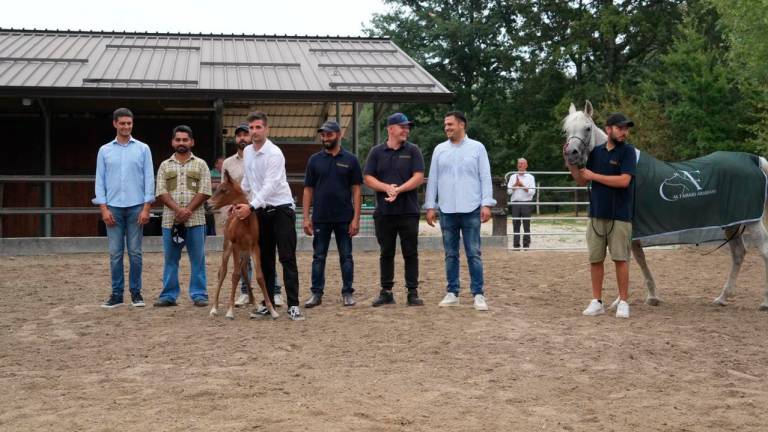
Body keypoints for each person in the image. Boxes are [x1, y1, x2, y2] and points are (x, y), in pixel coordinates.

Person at [232, 111, 305, 321]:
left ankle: (293, 305)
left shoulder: (275, 153)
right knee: (264, 259)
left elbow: (270, 185)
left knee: (287, 257)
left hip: (281, 209)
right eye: (251, 128)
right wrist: (238, 200)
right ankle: (268, 303)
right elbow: (248, 181)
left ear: (267, 129)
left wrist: (250, 206)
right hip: (261, 211)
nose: (254, 132)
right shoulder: (247, 152)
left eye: (258, 127)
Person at [566, 113, 636, 319]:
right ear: (608, 129)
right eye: (620, 128)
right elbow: (580, 180)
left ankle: (623, 300)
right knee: (595, 259)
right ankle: (596, 300)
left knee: (620, 259)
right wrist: (570, 162)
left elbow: (624, 181)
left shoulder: (628, 152)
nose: (624, 132)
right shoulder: (596, 153)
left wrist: (594, 176)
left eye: (625, 129)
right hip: (597, 214)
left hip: (620, 215)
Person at [425, 111, 496, 311]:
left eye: (450, 124)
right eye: (445, 125)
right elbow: (434, 179)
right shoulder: (439, 150)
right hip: (447, 209)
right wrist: (430, 205)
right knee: (450, 254)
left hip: (471, 207)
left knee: (474, 253)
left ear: (461, 125)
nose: (447, 128)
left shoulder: (477, 148)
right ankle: (452, 292)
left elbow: (485, 176)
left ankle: (478, 294)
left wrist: (486, 203)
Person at [94, 107, 155, 308]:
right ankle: (117, 293)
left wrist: (147, 207)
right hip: (113, 207)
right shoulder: (104, 150)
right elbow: (99, 181)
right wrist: (103, 208)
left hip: (136, 206)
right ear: (115, 124)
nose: (126, 126)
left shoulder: (143, 149)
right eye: (122, 123)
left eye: (129, 123)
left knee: (136, 253)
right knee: (115, 253)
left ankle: (136, 292)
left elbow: (149, 178)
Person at [363, 112, 425, 307]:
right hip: (384, 213)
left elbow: (418, 177)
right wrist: (386, 188)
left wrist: (398, 189)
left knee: (410, 252)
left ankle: (412, 292)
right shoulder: (376, 152)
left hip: (408, 211)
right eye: (402, 126)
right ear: (390, 129)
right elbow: (368, 177)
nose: (406, 130)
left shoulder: (413, 150)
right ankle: (386, 291)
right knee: (386, 252)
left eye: (407, 127)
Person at [303, 121, 363, 308]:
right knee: (318, 257)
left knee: (346, 256)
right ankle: (316, 293)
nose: (325, 138)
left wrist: (356, 218)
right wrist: (306, 217)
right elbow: (308, 190)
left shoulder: (351, 160)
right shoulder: (314, 160)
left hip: (344, 217)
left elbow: (356, 191)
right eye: (323, 135)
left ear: (338, 135)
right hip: (321, 217)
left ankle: (347, 292)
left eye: (329, 134)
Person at [154, 125, 212, 307]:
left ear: (192, 142)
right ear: (172, 142)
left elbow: (205, 190)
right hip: (170, 222)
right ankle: (168, 295)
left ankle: (199, 294)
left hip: (197, 220)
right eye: (178, 139)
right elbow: (161, 191)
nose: (181, 143)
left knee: (198, 259)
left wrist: (187, 210)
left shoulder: (201, 164)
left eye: (185, 139)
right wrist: (178, 210)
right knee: (170, 259)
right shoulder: (165, 165)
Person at [507, 158, 536, 249]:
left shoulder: (530, 177)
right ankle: (516, 245)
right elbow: (508, 192)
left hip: (526, 203)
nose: (520, 165)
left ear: (526, 165)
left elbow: (532, 192)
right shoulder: (512, 177)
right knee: (516, 224)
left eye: (522, 163)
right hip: (515, 203)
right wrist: (515, 185)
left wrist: (522, 185)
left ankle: (526, 245)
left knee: (526, 225)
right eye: (519, 163)